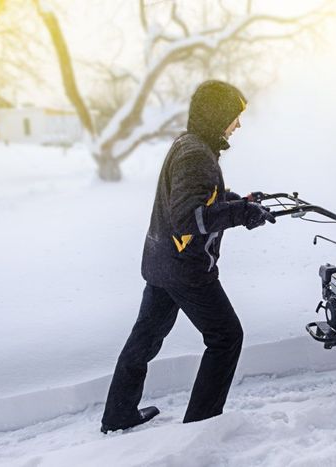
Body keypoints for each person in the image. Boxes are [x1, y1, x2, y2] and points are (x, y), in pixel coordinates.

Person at [101, 80, 275, 433]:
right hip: (186, 269)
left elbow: (201, 198)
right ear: (216, 116)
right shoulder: (196, 154)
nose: (237, 125)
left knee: (145, 339)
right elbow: (189, 217)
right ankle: (202, 425)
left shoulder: (190, 145)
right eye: (233, 117)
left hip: (162, 262)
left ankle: (118, 414)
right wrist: (240, 214)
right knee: (226, 337)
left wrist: (240, 200)